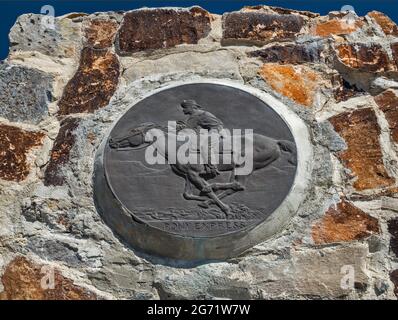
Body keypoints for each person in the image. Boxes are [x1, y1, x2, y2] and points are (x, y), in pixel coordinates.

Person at [180, 100, 224, 177]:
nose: (183, 110)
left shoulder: (197, 115)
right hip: (210, 130)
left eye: (185, 107)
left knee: (206, 146)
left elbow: (187, 129)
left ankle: (212, 169)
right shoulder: (196, 115)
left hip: (216, 130)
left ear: (192, 107)